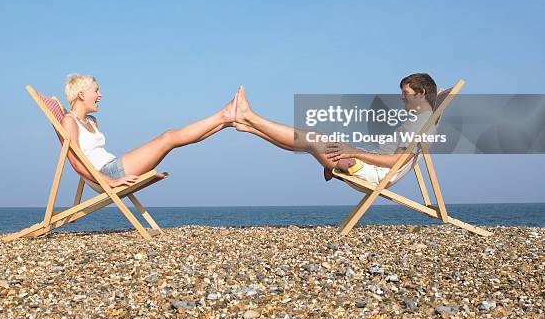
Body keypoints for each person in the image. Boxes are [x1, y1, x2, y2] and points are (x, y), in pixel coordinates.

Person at [234, 73, 439, 185]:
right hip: (371, 164)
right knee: (312, 140)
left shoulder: (422, 122)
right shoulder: (423, 118)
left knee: (312, 141)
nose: (402, 97)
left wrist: (353, 152)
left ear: (420, 93)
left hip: (376, 173)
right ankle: (250, 126)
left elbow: (396, 161)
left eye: (405, 93)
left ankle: (250, 118)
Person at [61, 74, 238, 188]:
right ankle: (224, 116)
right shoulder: (69, 121)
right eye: (96, 90)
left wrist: (143, 175)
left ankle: (224, 122)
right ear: (81, 95)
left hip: (112, 167)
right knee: (168, 137)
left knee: (170, 140)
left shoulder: (92, 121)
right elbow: (77, 164)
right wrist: (111, 182)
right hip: (106, 174)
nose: (100, 95)